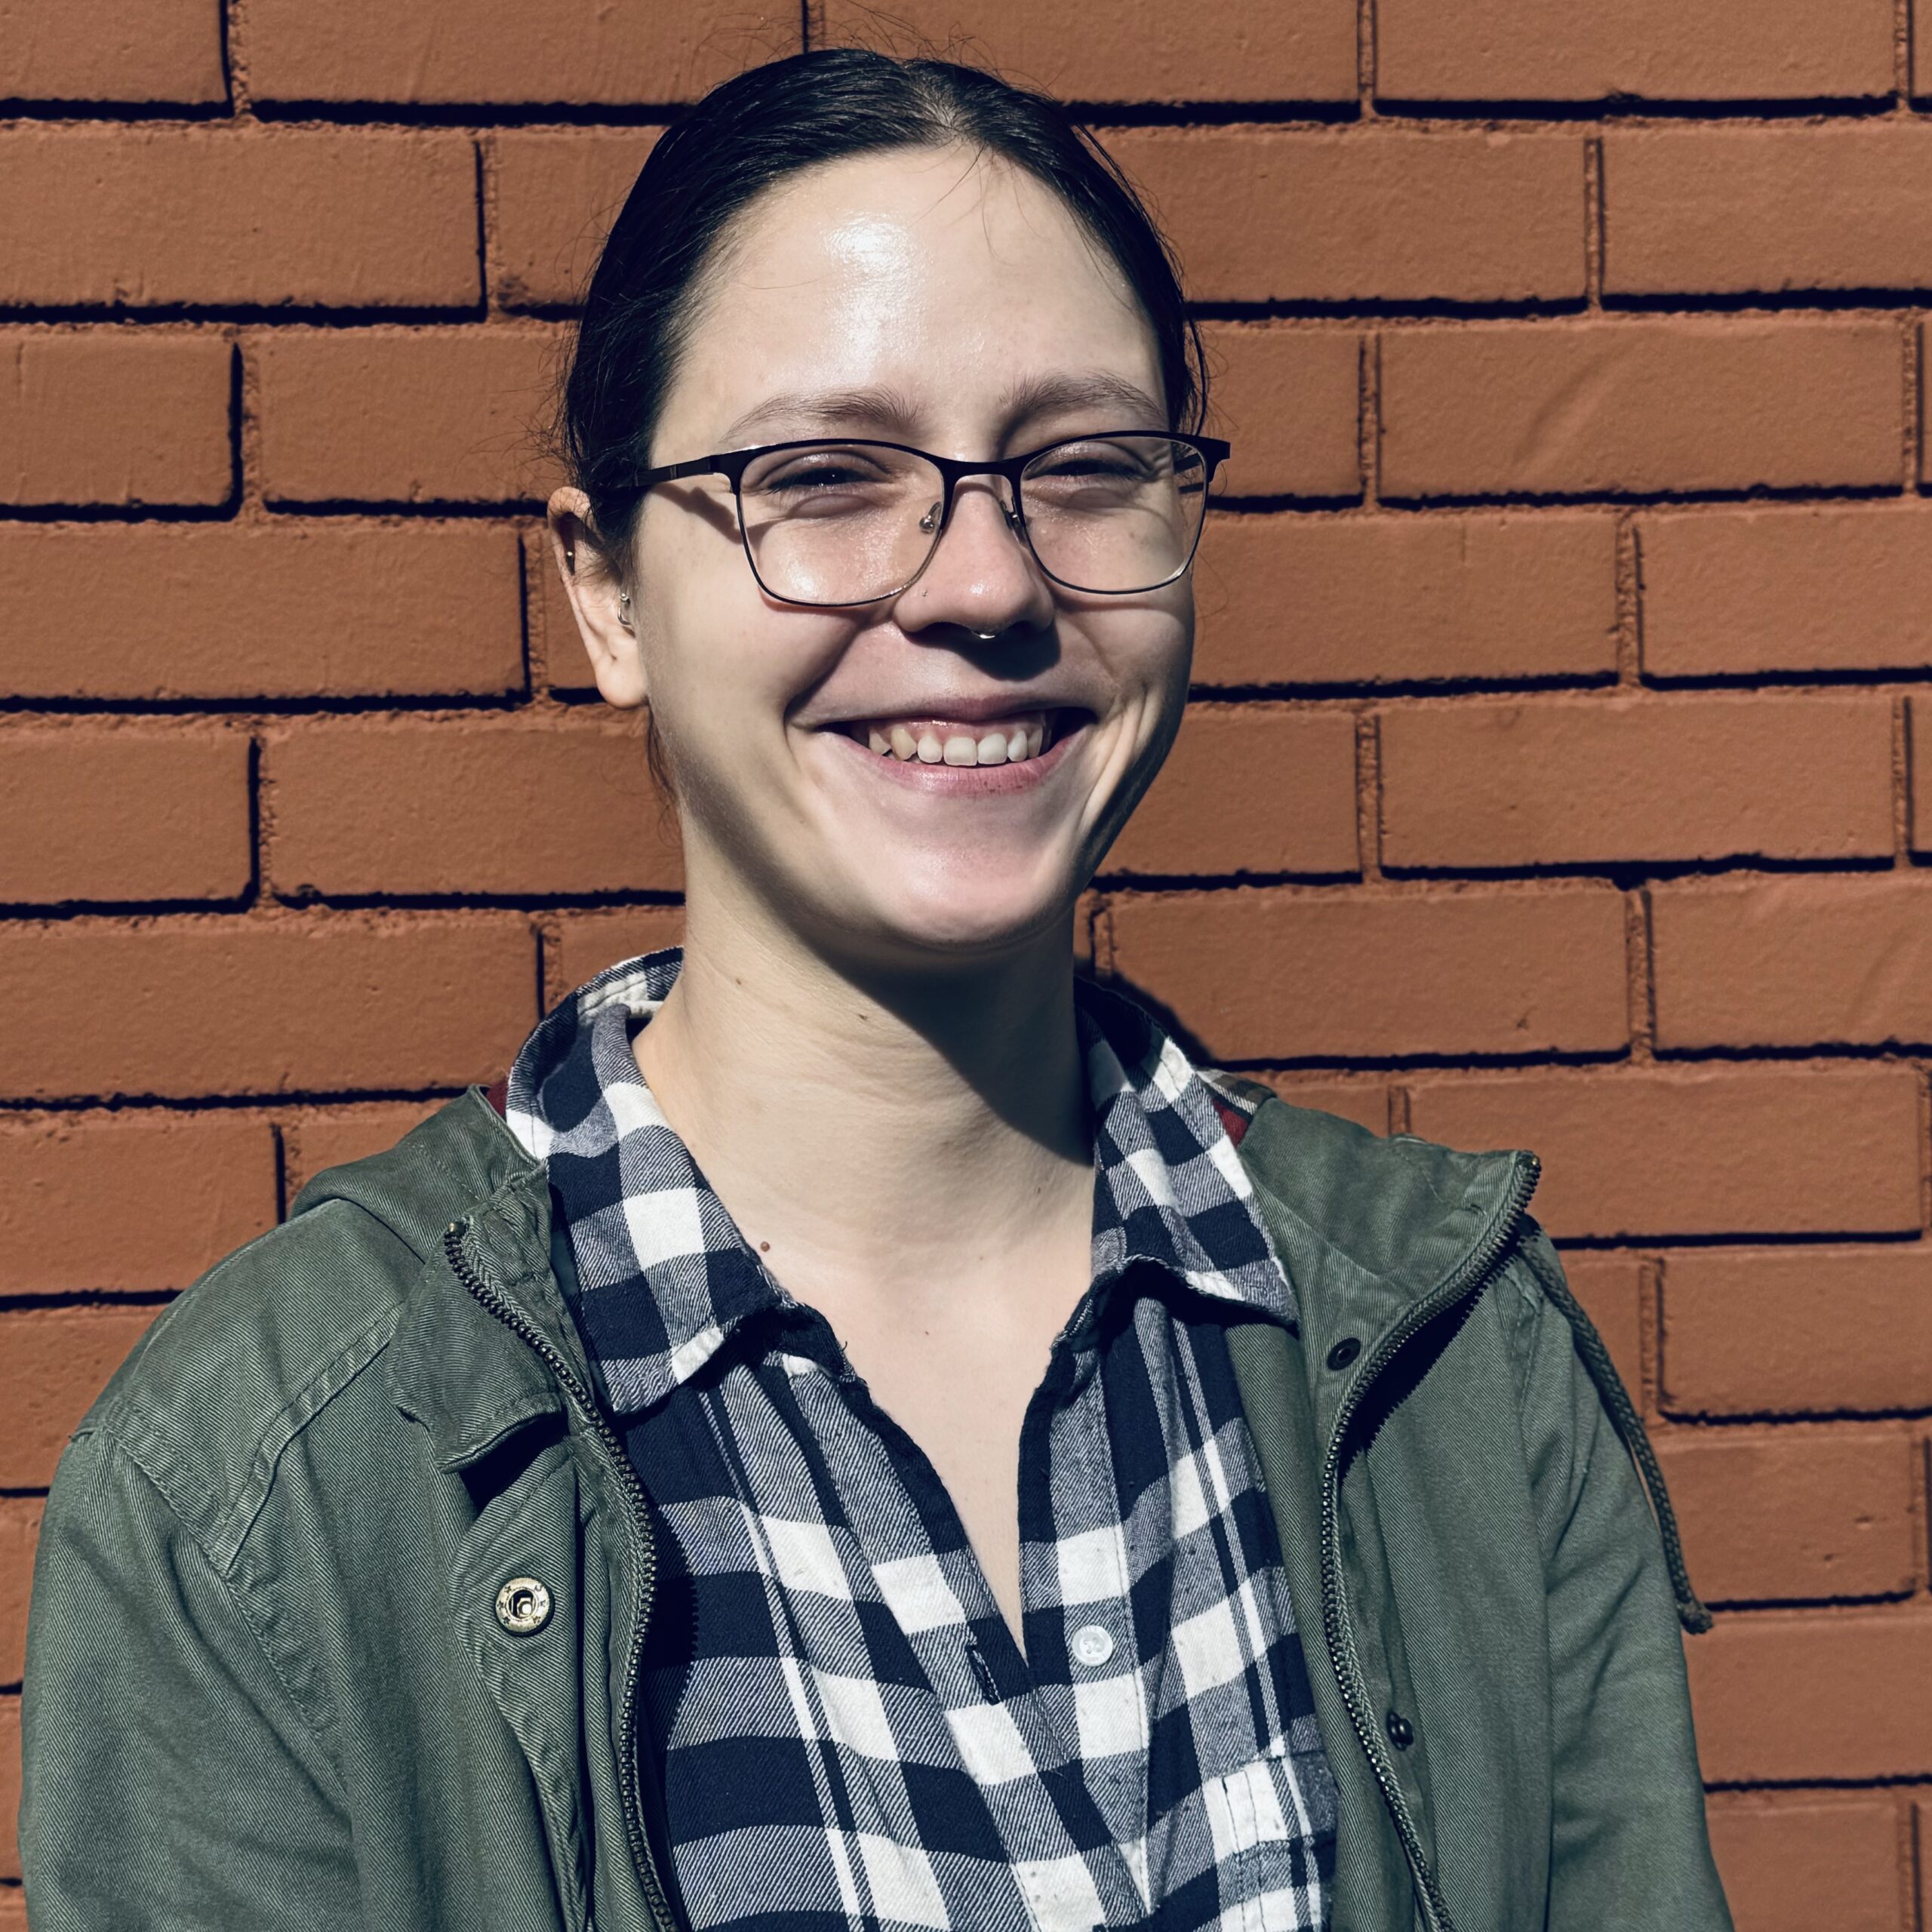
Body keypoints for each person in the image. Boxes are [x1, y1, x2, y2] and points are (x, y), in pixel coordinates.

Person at [19, 47, 1733, 1932]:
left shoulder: (1456, 1363)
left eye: (1083, 468)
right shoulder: (265, 1478)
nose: (985, 581)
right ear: (603, 591)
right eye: (823, 478)